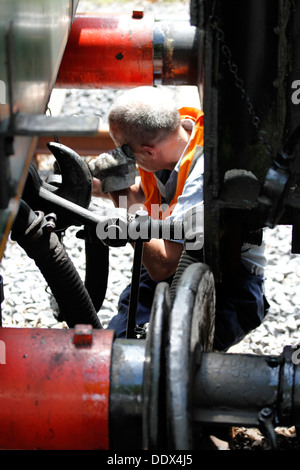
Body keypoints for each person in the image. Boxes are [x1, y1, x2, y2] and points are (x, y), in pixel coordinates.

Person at [91, 86, 268, 350]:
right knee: (119, 348)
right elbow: (143, 194)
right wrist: (92, 183)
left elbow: (163, 264)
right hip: (171, 270)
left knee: (172, 367)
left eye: (125, 153)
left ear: (149, 151)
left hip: (227, 289)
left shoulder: (204, 178)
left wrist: (118, 192)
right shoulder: (177, 140)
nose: (124, 159)